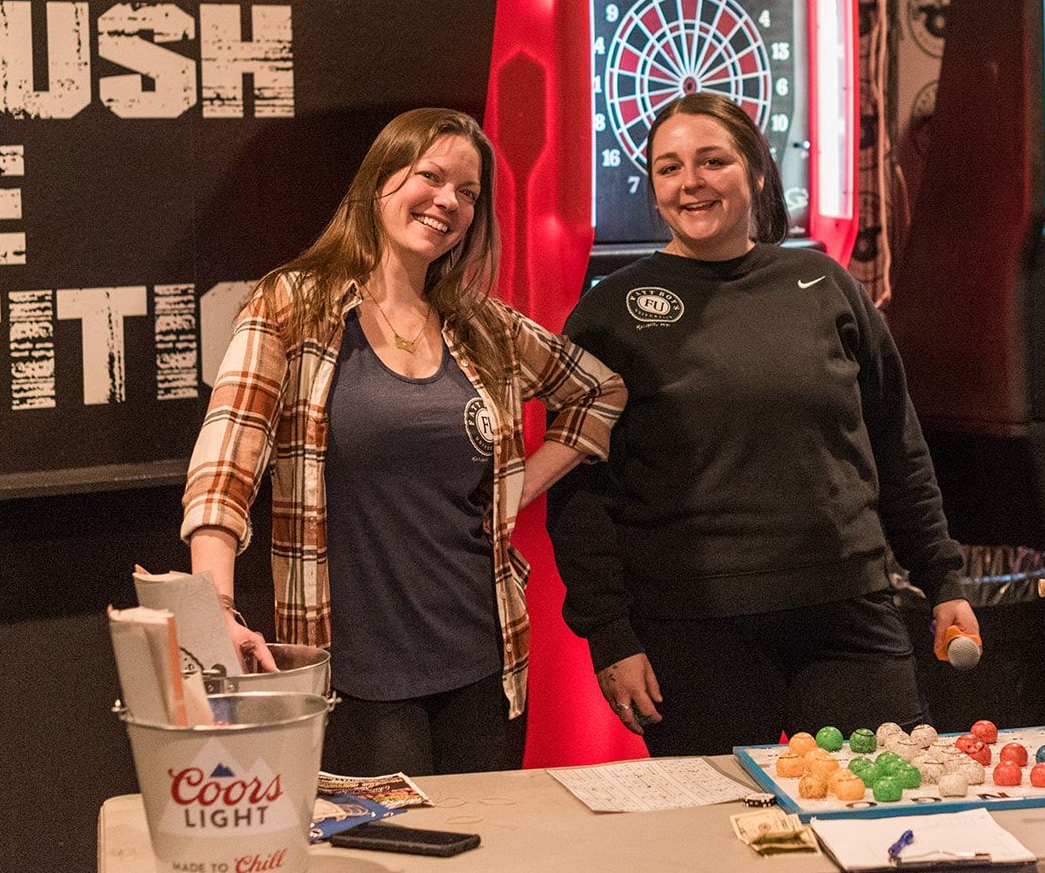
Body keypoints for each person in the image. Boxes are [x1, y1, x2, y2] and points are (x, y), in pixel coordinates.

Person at [182, 107, 626, 776]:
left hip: (483, 659)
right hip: (356, 674)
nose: (448, 200)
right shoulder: (294, 305)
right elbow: (224, 471)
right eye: (431, 176)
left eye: (469, 192)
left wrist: (519, 485)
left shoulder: (482, 326)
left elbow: (599, 390)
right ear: (380, 182)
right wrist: (213, 607)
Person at [548, 92, 978, 757]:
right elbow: (580, 497)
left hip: (847, 618)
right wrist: (610, 634)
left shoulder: (826, 283)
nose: (690, 180)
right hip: (693, 633)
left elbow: (897, 448)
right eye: (669, 167)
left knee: (880, 825)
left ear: (755, 172)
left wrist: (942, 580)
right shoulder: (609, 314)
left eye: (711, 160)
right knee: (717, 848)